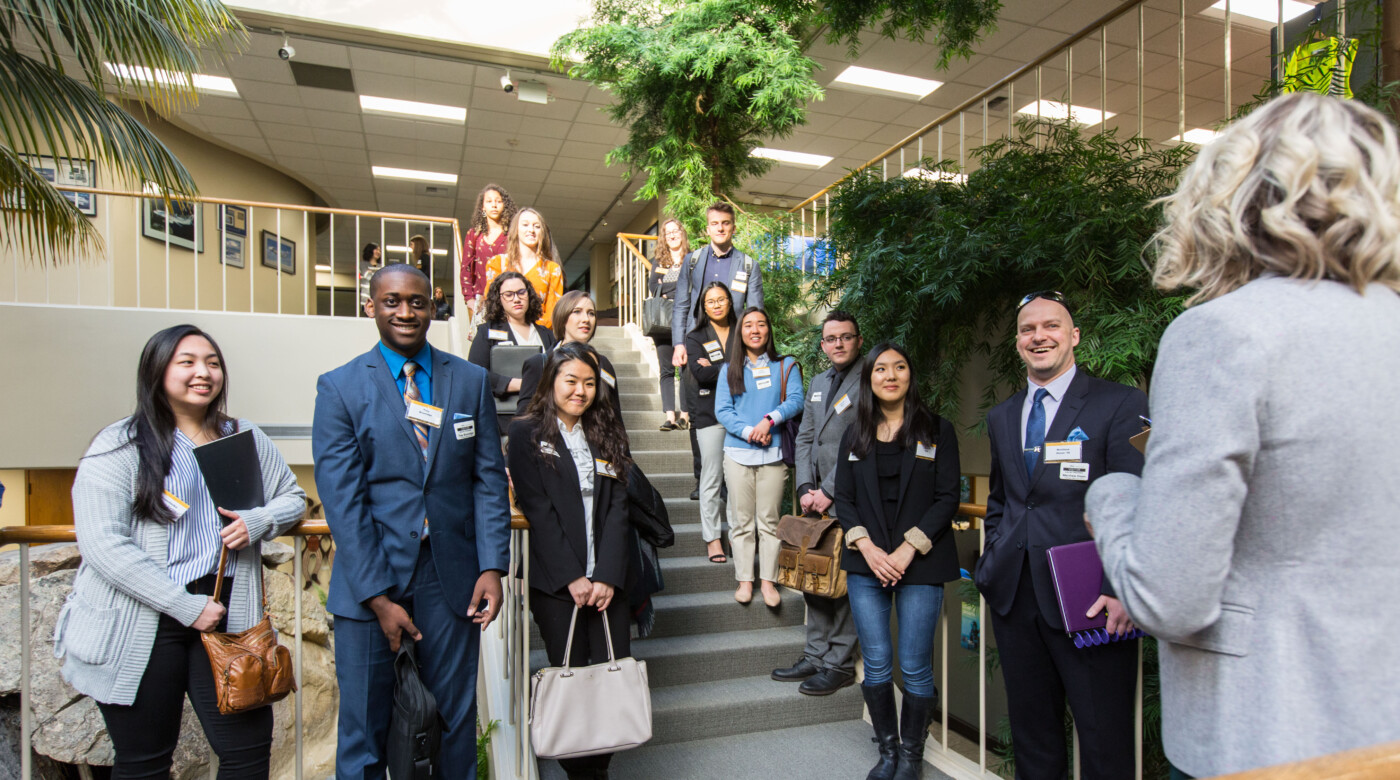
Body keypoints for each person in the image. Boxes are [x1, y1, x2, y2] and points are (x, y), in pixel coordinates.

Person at [1085, 93, 1400, 779]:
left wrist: (1111, 497)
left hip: (1268, 730)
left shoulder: (1223, 334)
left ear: (1229, 195)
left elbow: (1170, 598)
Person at [58, 324, 307, 778]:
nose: (204, 373)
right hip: (144, 615)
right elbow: (102, 543)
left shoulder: (240, 435)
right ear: (157, 370)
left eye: (212, 363)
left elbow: (291, 497)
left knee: (248, 755)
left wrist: (256, 522)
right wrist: (183, 606)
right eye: (187, 362)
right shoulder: (119, 444)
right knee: (144, 763)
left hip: (227, 613)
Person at [313, 263, 511, 779]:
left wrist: (492, 565)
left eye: (417, 302)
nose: (406, 312)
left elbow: (488, 480)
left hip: (452, 580)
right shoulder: (339, 388)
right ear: (370, 306)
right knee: (365, 732)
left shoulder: (468, 381)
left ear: (433, 305)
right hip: (369, 583)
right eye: (392, 301)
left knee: (453, 723)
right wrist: (378, 597)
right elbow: (343, 501)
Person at [974, 291, 1147, 780]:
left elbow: (1136, 497)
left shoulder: (1121, 403)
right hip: (1016, 597)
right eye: (1028, 330)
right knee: (1033, 738)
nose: (1039, 336)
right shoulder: (1003, 416)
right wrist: (991, 567)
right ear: (1017, 343)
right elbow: (1005, 501)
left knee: (1103, 738)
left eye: (1051, 327)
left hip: (1091, 600)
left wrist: (1120, 587)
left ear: (1073, 337)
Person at [834, 342, 961, 780]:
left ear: (910, 375)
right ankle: (888, 751)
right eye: (881, 369)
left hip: (920, 562)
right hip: (867, 563)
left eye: (900, 367)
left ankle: (911, 756)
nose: (891, 375)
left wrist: (908, 549)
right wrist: (868, 548)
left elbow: (948, 498)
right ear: (869, 379)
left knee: (914, 664)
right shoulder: (855, 433)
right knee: (877, 660)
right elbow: (844, 499)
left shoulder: (937, 430)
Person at [509, 342, 634, 780]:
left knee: (610, 677)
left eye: (588, 382)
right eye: (571, 381)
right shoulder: (526, 433)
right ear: (551, 382)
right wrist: (572, 578)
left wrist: (605, 576)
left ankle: (599, 769)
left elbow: (620, 507)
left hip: (607, 582)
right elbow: (538, 510)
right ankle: (579, 771)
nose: (580, 390)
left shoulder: (607, 432)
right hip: (557, 583)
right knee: (572, 676)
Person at [772, 310, 864, 696]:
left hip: (850, 498)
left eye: (845, 337)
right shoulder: (820, 381)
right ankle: (814, 653)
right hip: (815, 500)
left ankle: (838, 663)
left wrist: (829, 490)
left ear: (858, 341)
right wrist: (806, 486)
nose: (838, 344)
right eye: (831, 338)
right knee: (814, 575)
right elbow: (807, 436)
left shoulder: (870, 379)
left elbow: (862, 440)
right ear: (822, 344)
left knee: (842, 583)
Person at [714, 307, 803, 607]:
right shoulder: (729, 370)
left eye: (761, 324)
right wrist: (752, 431)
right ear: (740, 332)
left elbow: (796, 400)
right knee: (740, 521)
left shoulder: (785, 365)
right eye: (748, 325)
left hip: (773, 454)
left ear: (769, 330)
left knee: (769, 521)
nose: (755, 330)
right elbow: (723, 411)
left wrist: (769, 420)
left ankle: (768, 581)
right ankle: (744, 580)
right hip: (738, 453)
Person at [669, 202, 763, 370]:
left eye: (725, 223)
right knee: (693, 393)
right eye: (715, 223)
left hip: (734, 344)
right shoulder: (692, 262)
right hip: (696, 340)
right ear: (708, 229)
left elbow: (755, 313)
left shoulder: (749, 266)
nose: (720, 228)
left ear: (733, 228)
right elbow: (681, 306)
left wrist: (754, 350)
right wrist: (678, 344)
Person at [682, 281, 737, 563]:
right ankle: (713, 539)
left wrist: (716, 368)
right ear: (703, 307)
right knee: (712, 477)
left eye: (721, 299)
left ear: (729, 301)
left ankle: (737, 538)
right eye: (710, 301)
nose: (716, 304)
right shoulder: (695, 337)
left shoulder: (743, 331)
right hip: (710, 415)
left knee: (738, 481)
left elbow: (757, 368)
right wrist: (736, 369)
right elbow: (700, 375)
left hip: (742, 416)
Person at [466, 271, 557, 435]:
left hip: (546, 417)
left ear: (529, 295)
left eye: (521, 292)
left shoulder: (546, 334)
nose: (516, 299)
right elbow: (474, 373)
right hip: (504, 421)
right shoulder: (487, 332)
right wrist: (520, 384)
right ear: (499, 299)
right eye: (509, 294)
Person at [518, 289, 622, 421]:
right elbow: (523, 421)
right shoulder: (539, 364)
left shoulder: (603, 364)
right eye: (577, 312)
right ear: (562, 317)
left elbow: (615, 416)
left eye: (591, 313)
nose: (586, 319)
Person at [486, 208, 565, 327]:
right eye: (525, 225)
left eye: (537, 226)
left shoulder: (552, 269)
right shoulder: (497, 263)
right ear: (516, 230)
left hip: (538, 336)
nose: (531, 230)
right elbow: (491, 304)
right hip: (503, 334)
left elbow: (553, 312)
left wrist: (530, 331)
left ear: (542, 232)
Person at [649, 217, 690, 431]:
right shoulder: (659, 261)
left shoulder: (691, 259)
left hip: (684, 322)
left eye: (675, 230)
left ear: (682, 233)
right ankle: (669, 416)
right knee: (666, 370)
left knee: (684, 368)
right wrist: (671, 291)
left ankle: (685, 415)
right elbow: (652, 287)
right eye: (667, 232)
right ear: (664, 238)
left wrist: (667, 289)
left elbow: (691, 288)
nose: (672, 235)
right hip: (663, 323)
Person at [460, 184, 517, 320]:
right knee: (481, 340)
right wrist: (469, 299)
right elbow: (466, 268)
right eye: (489, 201)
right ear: (483, 207)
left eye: (498, 201)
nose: (494, 205)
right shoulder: (474, 234)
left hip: (508, 298)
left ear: (505, 206)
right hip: (480, 300)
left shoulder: (512, 234)